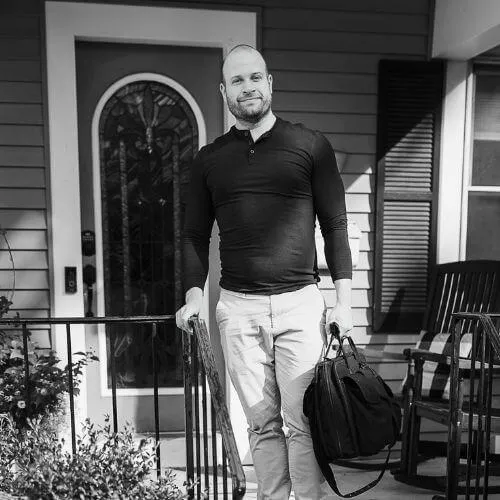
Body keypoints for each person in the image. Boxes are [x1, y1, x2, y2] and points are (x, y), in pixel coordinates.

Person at [176, 44, 353, 499]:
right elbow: (194, 235)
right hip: (238, 309)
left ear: (270, 83)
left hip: (300, 305)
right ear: (223, 91)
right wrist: (196, 295)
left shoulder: (310, 145)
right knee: (262, 424)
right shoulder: (208, 160)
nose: (248, 87)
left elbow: (334, 224)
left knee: (303, 422)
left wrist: (344, 300)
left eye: (255, 77)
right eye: (237, 80)